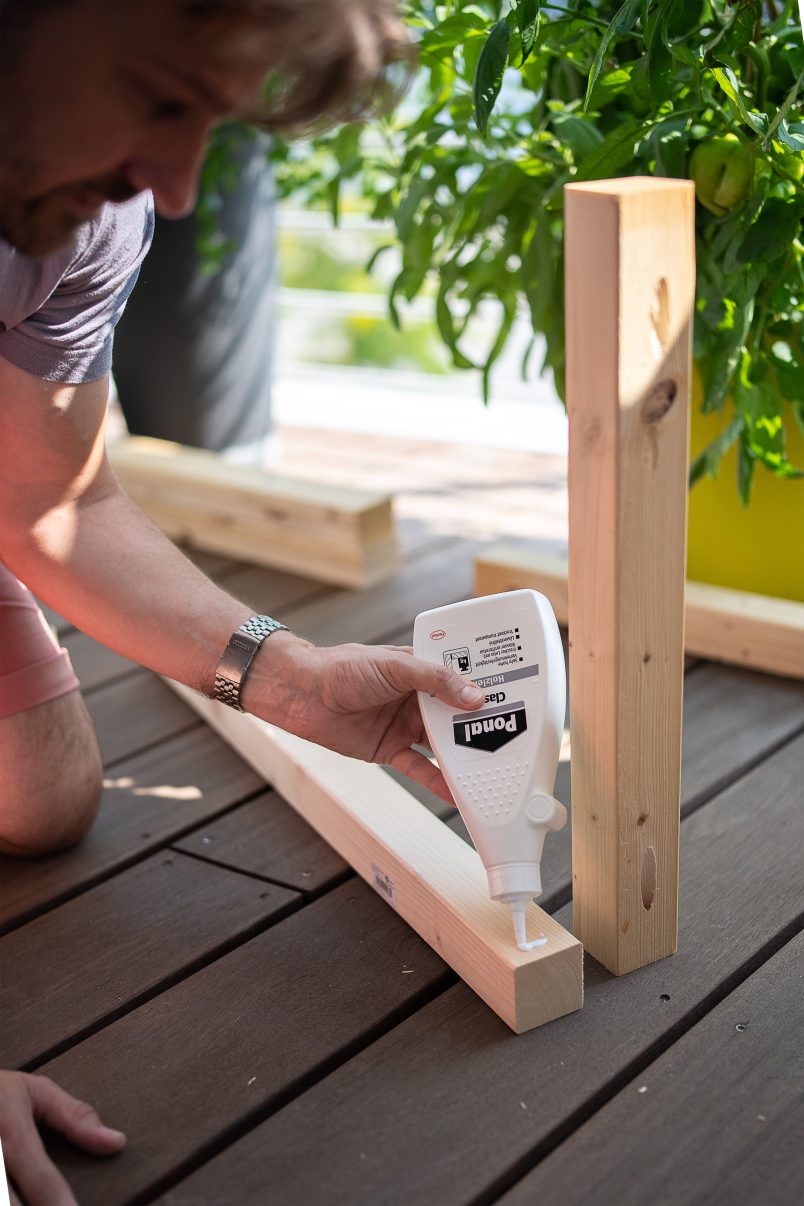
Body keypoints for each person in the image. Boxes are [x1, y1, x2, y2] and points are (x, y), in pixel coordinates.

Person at [0, 2, 485, 1201]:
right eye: (163, 95)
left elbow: (50, 500)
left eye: (211, 122)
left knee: (44, 801)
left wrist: (292, 678)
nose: (173, 186)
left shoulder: (92, 211)